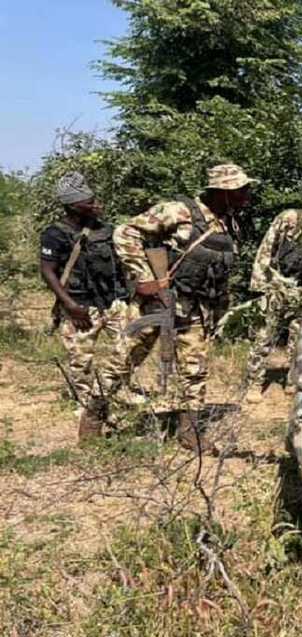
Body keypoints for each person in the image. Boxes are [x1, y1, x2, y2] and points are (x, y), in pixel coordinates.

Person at [113, 163, 256, 451]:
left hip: (195, 309)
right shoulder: (178, 211)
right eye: (241, 191)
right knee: (123, 358)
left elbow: (217, 274)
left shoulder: (228, 223)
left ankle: (189, 432)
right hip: (158, 302)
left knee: (194, 370)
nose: (246, 197)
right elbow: (125, 232)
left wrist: (218, 312)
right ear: (223, 192)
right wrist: (142, 277)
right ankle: (93, 416)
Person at [39, 172, 134, 442]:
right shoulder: (55, 234)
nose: (95, 204)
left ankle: (112, 397)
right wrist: (70, 306)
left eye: (93, 199)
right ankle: (86, 406)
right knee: (81, 361)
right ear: (72, 205)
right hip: (79, 306)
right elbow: (47, 271)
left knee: (128, 349)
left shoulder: (106, 229)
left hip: (113, 304)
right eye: (88, 201)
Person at [241, 203, 302, 403]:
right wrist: (260, 285)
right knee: (264, 335)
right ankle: (254, 383)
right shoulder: (291, 218)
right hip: (276, 284)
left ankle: (292, 382)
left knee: (300, 337)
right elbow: (267, 248)